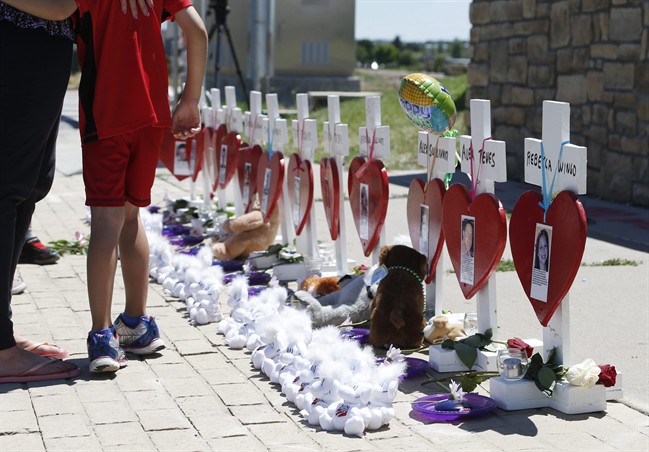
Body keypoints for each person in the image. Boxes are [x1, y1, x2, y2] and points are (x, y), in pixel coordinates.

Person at [0, 0, 153, 383]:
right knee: (8, 191)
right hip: (19, 41)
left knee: (29, 187)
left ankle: (2, 336)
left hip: (41, 43)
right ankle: (1, 350)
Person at [73, 0, 207, 373]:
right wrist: (190, 99)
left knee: (105, 222)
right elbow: (196, 29)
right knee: (130, 219)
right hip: (151, 118)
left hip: (106, 114)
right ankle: (137, 324)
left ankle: (102, 336)